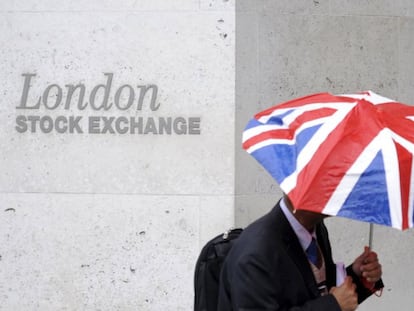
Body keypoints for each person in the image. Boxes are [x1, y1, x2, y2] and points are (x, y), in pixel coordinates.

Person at [217, 195, 383, 311]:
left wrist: (357, 275)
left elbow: (319, 289)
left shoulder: (315, 228)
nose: (339, 191)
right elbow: (331, 301)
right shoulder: (256, 255)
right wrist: (333, 306)